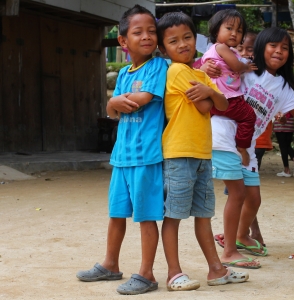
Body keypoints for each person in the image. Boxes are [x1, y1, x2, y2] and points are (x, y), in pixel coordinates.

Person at [205, 27, 294, 268]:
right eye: (273, 45)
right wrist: (205, 68)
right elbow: (214, 64)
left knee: (254, 199)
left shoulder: (283, 86)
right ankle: (229, 251)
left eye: (284, 48)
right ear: (261, 47)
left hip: (248, 147)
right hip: (226, 136)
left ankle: (241, 236)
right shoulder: (245, 68)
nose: (279, 51)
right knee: (238, 194)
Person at [76, 5, 167, 295]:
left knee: (146, 216)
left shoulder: (159, 67)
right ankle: (111, 265)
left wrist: (117, 101)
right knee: (116, 213)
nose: (146, 36)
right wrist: (113, 103)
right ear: (123, 41)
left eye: (152, 31)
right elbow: (112, 111)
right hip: (122, 157)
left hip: (147, 156)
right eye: (138, 32)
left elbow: (139, 99)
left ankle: (147, 273)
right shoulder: (125, 72)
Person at [156, 12, 249, 291]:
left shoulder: (199, 72)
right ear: (164, 49)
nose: (182, 44)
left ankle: (216, 270)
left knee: (203, 215)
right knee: (173, 215)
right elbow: (207, 106)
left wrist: (209, 93)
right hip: (179, 154)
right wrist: (210, 95)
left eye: (187, 37)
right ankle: (174, 273)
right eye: (173, 41)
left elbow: (222, 104)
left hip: (201, 155)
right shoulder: (176, 71)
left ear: (196, 39)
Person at [215, 31, 267, 248]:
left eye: (250, 49)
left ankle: (242, 234)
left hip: (252, 142)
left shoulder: (254, 73)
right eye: (241, 48)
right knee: (239, 194)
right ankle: (235, 240)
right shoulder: (230, 68)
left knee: (247, 195)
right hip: (230, 141)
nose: (245, 53)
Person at [201, 9, 257, 166]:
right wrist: (246, 66)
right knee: (249, 117)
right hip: (228, 98)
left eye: (239, 31)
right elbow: (236, 66)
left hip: (214, 100)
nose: (234, 33)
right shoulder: (221, 48)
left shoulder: (212, 50)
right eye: (229, 28)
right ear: (216, 29)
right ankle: (242, 147)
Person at [273, 112, 294, 177]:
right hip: (290, 125)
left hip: (280, 125)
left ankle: (287, 170)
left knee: (283, 147)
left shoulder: (278, 101)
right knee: (287, 145)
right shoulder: (291, 101)